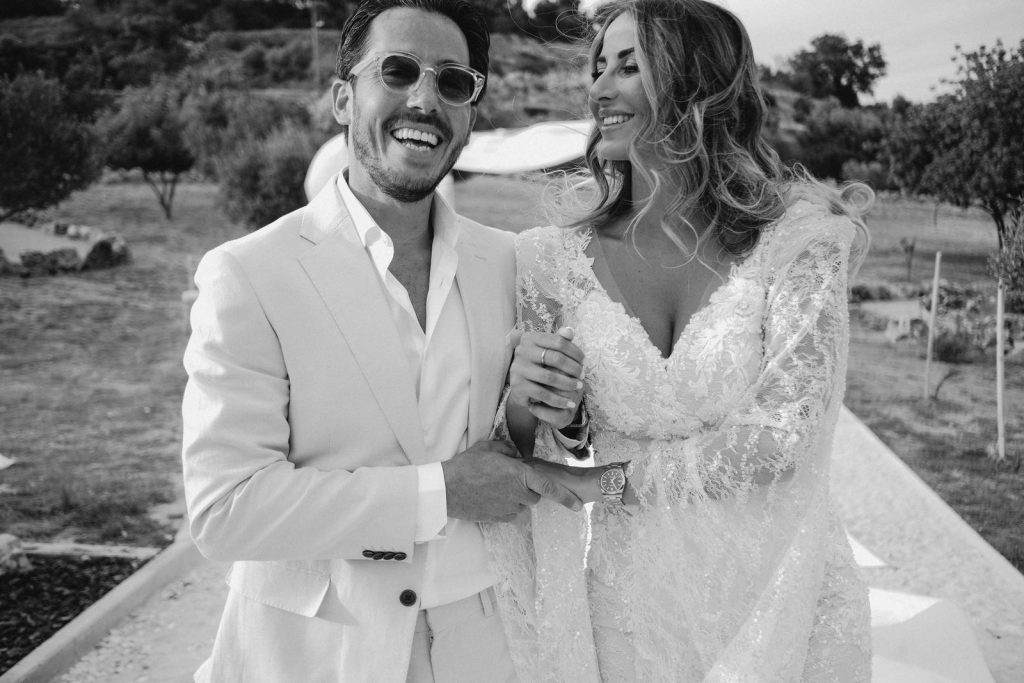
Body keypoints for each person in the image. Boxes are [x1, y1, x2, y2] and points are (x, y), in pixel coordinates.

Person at [181, 1, 581, 680]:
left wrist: (547, 411)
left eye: (453, 82)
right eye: (397, 71)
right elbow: (227, 509)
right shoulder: (248, 274)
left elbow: (525, 449)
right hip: (316, 656)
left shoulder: (509, 262)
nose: (424, 100)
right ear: (343, 98)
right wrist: (439, 493)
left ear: (470, 115)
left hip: (487, 649)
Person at [483, 0, 874, 680]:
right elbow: (542, 451)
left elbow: (781, 438)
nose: (599, 89)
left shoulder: (799, 244)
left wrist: (604, 483)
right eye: (597, 68)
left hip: (779, 598)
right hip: (629, 611)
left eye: (628, 67)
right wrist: (527, 401)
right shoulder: (550, 259)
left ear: (696, 84)